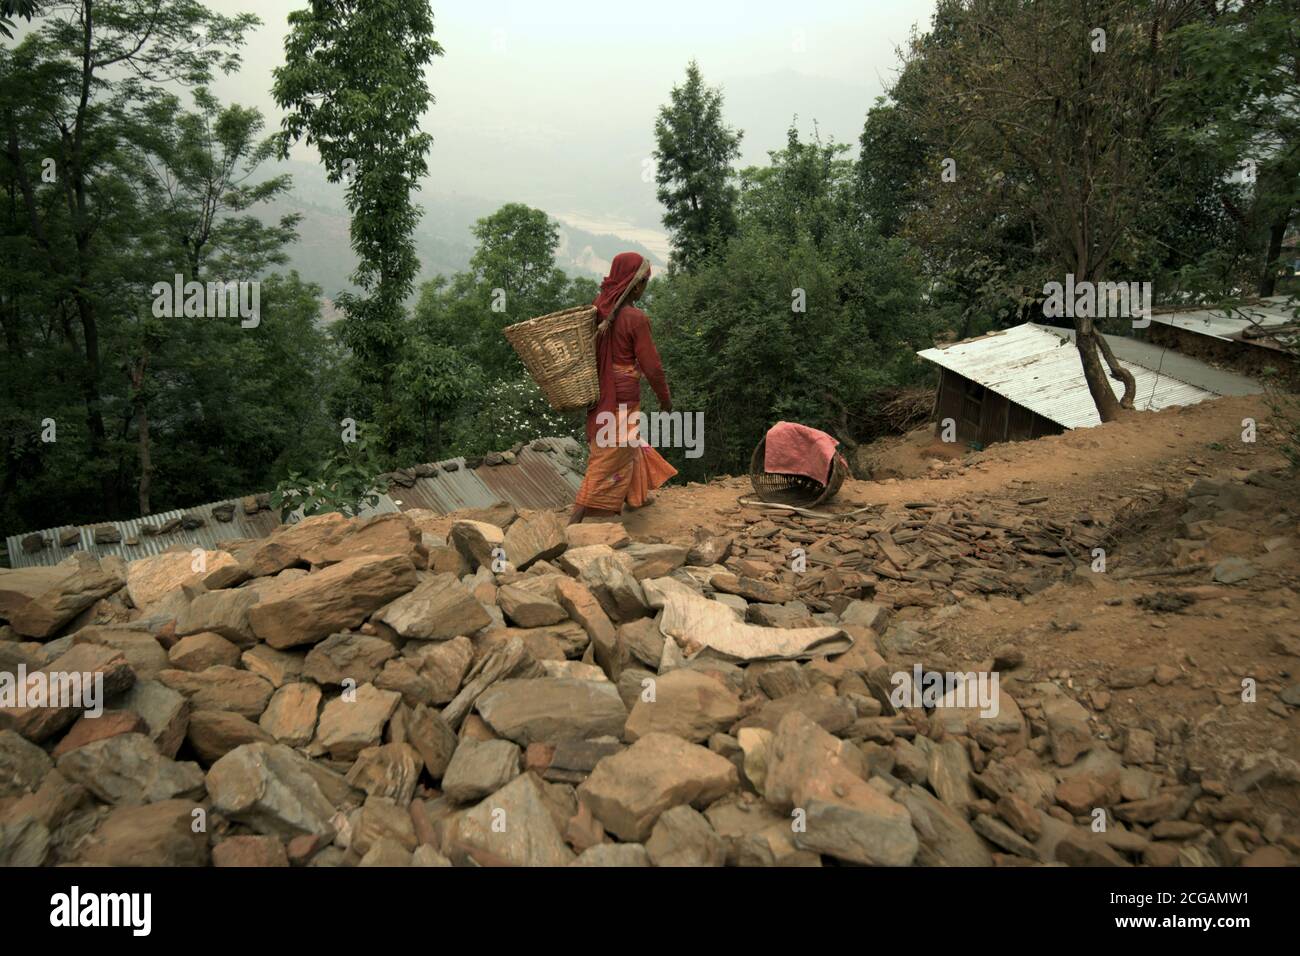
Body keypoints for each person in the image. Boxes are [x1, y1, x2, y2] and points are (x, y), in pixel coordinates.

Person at [569, 252, 677, 525]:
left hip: (600, 393)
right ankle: (577, 518)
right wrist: (665, 399)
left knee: (622, 446)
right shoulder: (635, 319)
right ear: (636, 284)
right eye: (644, 284)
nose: (644, 290)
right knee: (609, 457)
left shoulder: (597, 310)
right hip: (622, 398)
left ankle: (634, 496)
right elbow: (652, 367)